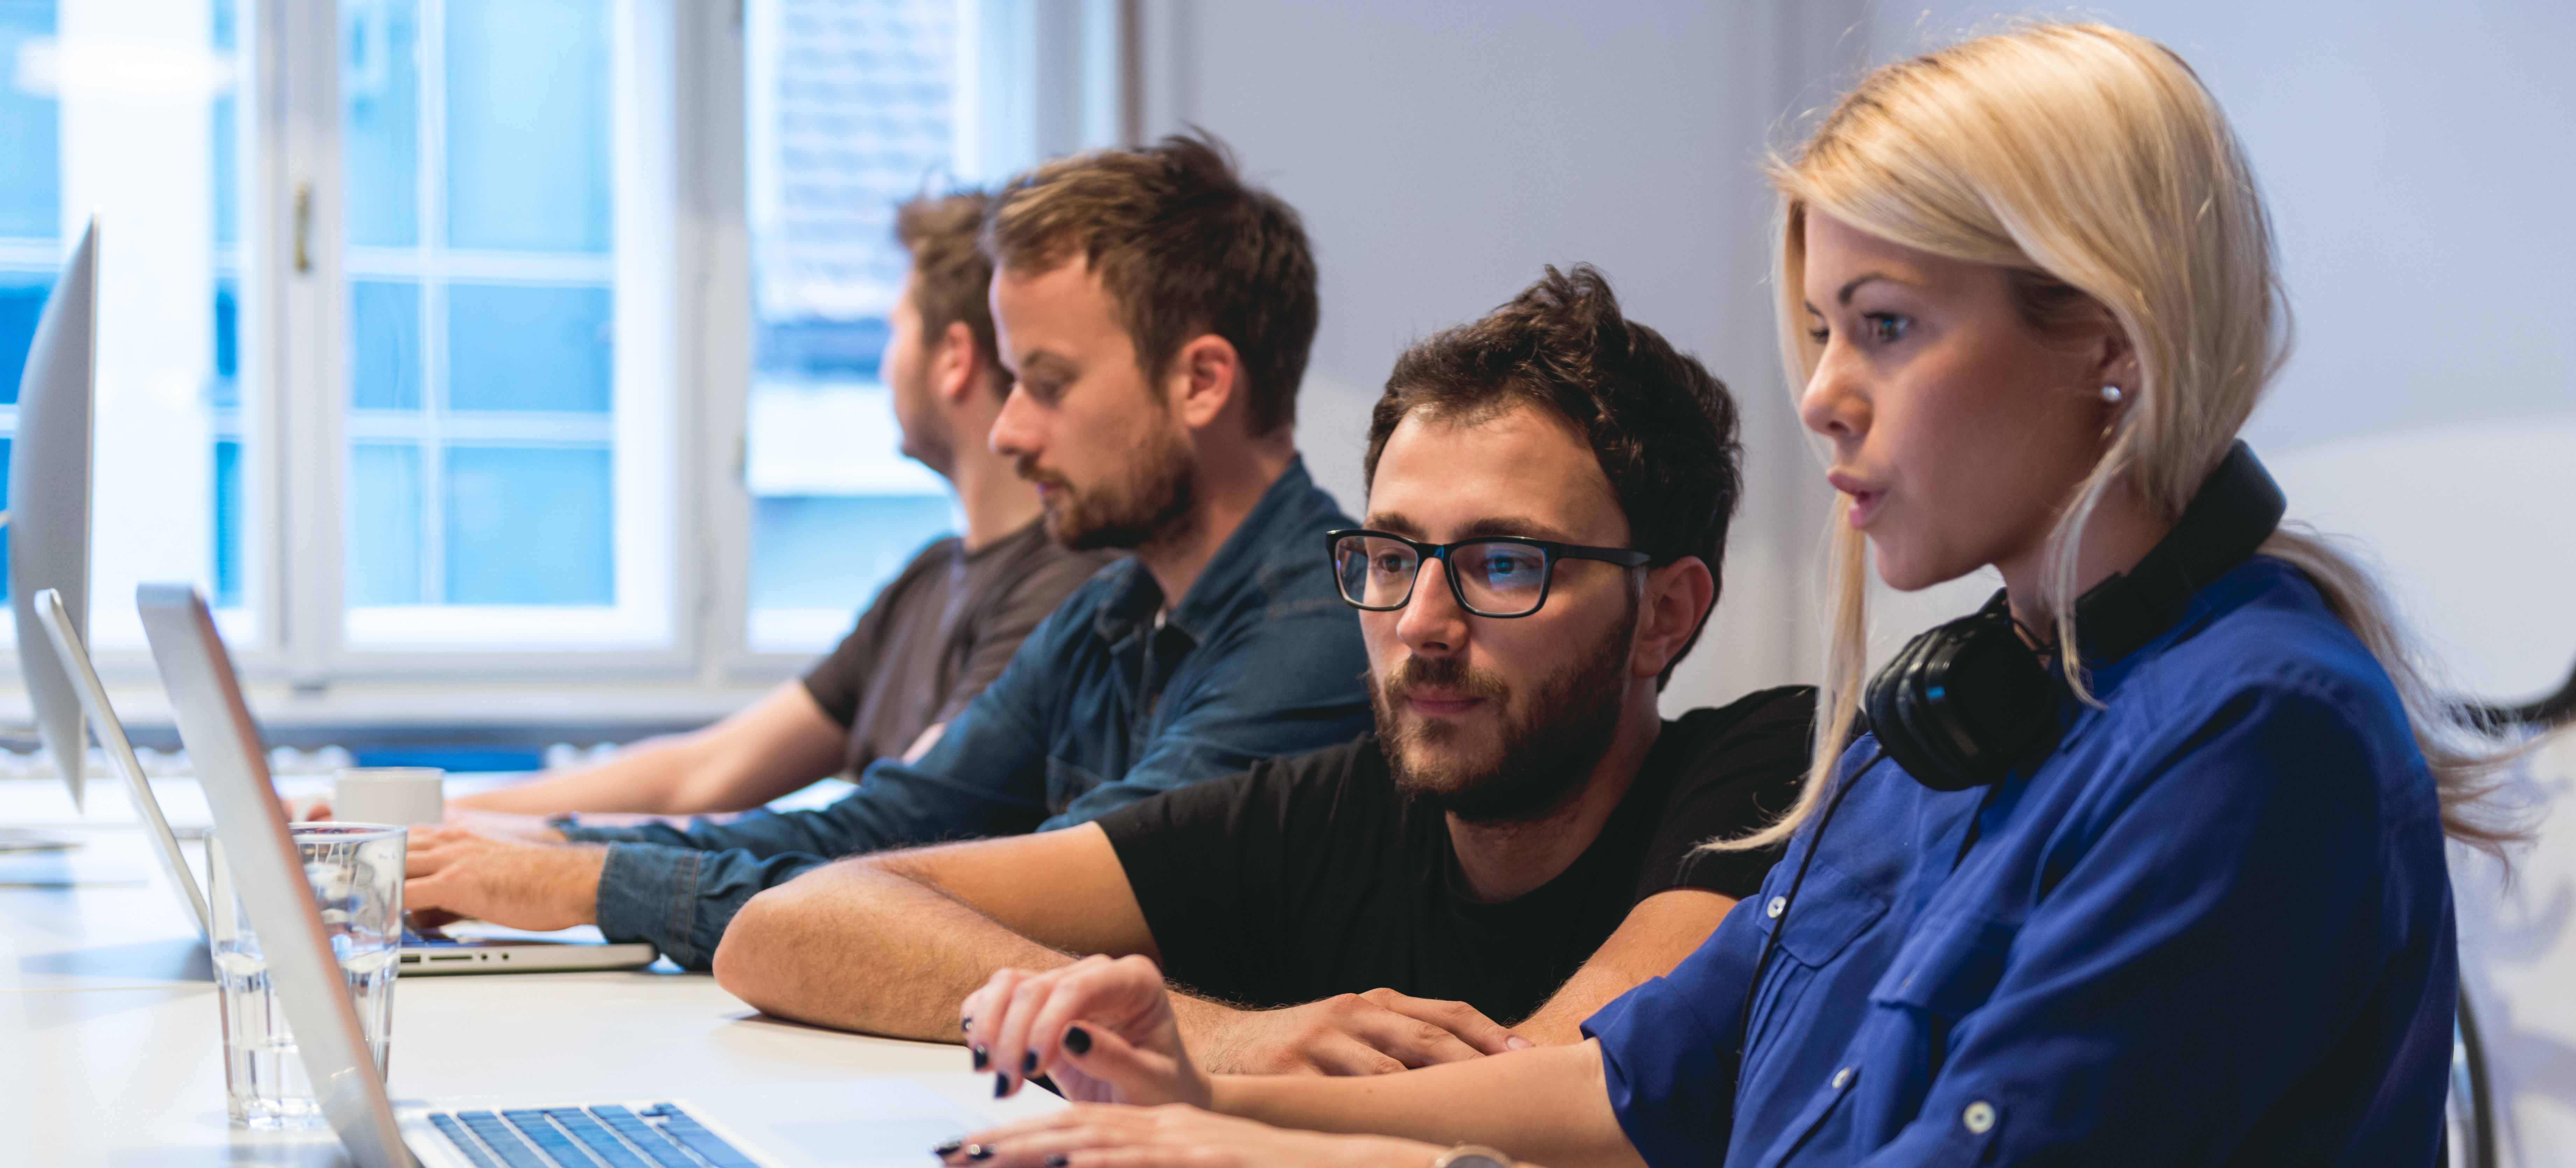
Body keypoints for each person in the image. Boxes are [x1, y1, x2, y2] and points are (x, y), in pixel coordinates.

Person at [929, 23, 2514, 1168]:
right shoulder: (1954, 716)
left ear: (2108, 341)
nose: (1822, 395)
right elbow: (1629, 1089)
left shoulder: (2251, 737)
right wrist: (1204, 1092)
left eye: (1883, 326)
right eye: (1820, 329)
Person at [708, 265, 1814, 1077]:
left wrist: (1199, 1090)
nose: (1422, 622)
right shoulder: (1332, 815)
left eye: (1503, 563)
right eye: (1391, 558)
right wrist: (1224, 1034)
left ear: (1663, 614)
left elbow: (1562, 1092)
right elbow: (792, 925)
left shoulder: (1765, 777)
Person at [403, 133, 1376, 971]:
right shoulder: (1115, 609)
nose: (1009, 433)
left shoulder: (1324, 635)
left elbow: (1013, 897)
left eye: (1047, 382)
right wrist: (547, 857)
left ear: (1202, 381)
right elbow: (880, 827)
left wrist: (597, 880)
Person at [432, 191, 1114, 822]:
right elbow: (705, 771)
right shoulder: (928, 580)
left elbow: (891, 826)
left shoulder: (1062, 584)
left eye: (895, 329)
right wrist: (439, 823)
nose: (883, 366)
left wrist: (540, 859)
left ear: (953, 360)